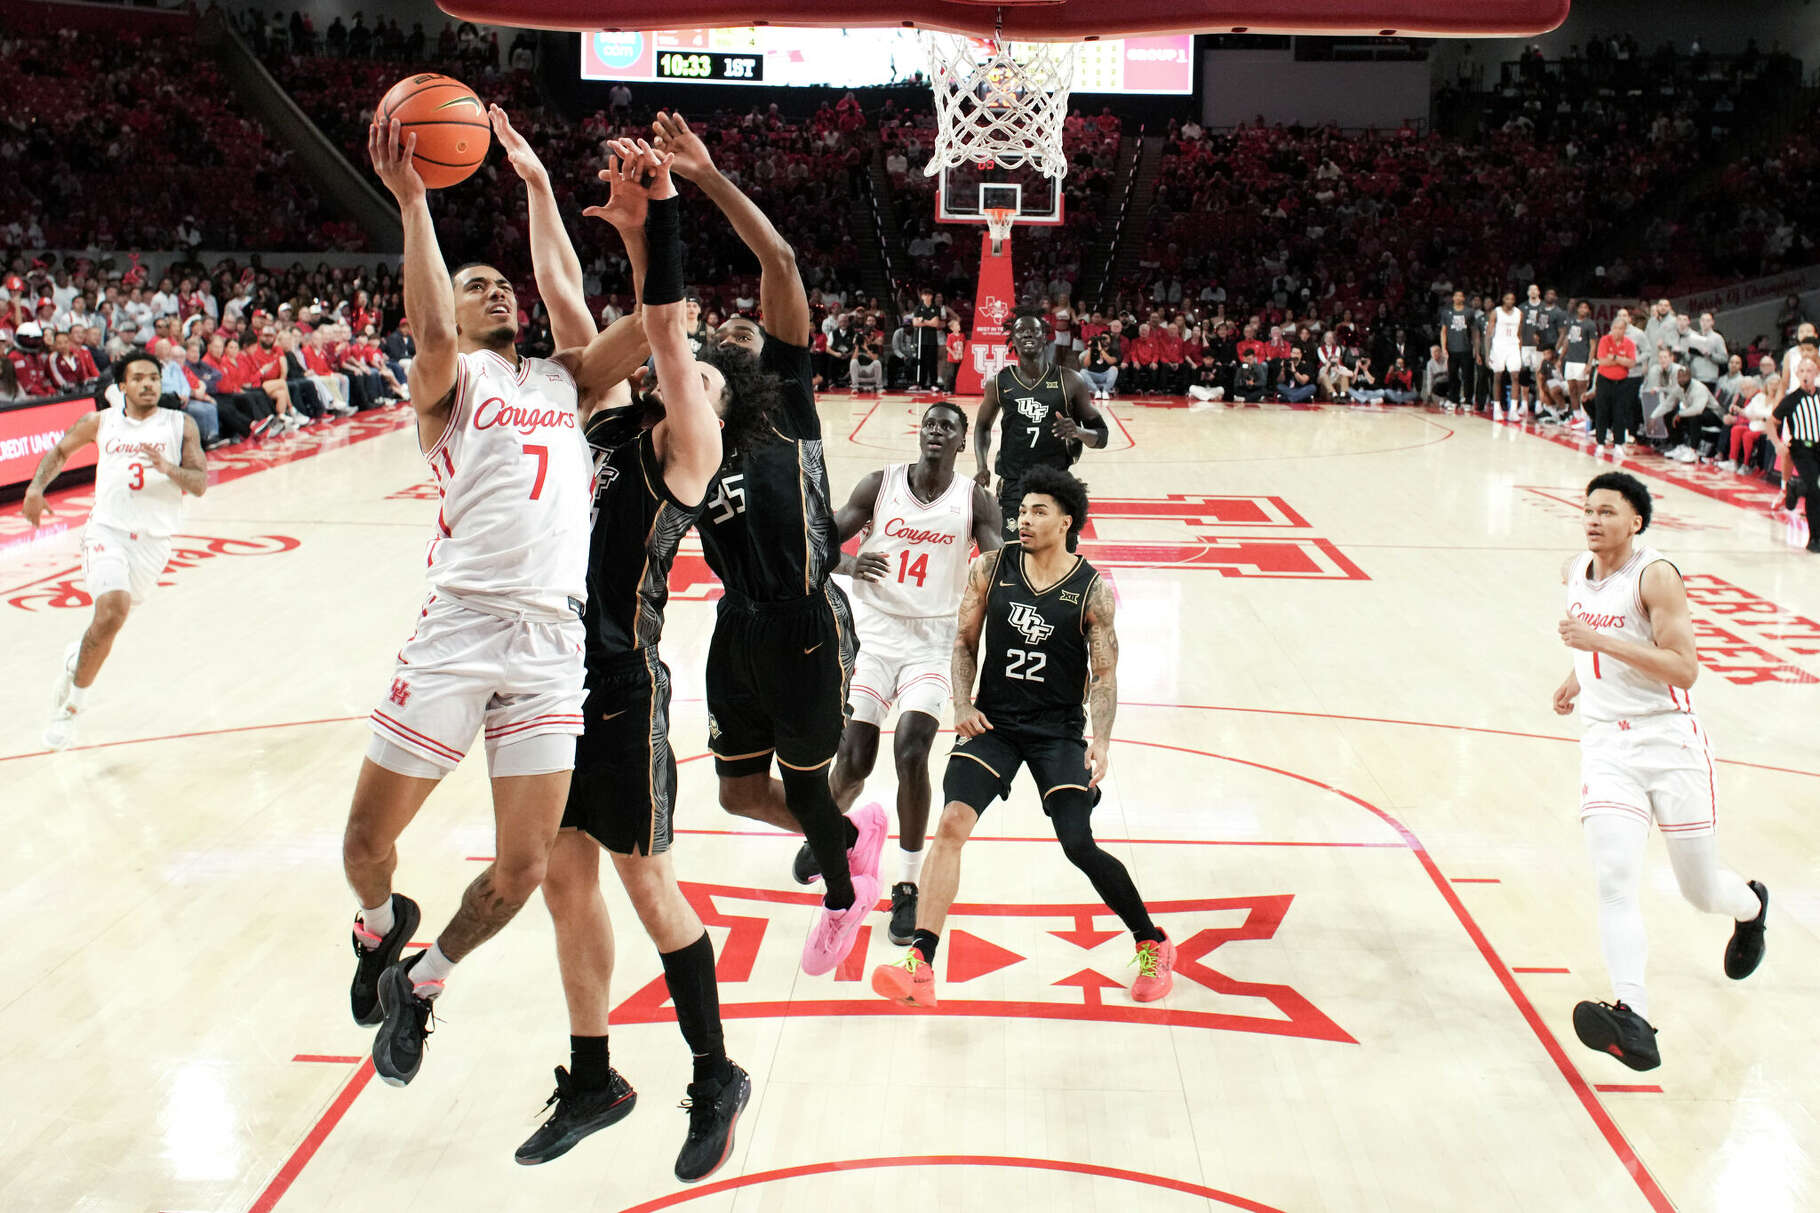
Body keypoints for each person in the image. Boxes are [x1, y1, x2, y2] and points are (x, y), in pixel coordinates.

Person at [342, 114, 650, 1089]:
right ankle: (381, 925)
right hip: (461, 628)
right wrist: (414, 201)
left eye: (501, 280)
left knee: (522, 870)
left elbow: (652, 325)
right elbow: (428, 325)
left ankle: (422, 983)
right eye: (478, 285)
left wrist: (629, 225)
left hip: (551, 644)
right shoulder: (448, 383)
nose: (494, 290)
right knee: (364, 844)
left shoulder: (564, 380)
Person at [515, 134, 751, 1179]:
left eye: (699, 374)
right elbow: (568, 302)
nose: (679, 375)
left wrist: (659, 219)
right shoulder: (606, 430)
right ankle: (593, 1074)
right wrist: (537, 187)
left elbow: (662, 329)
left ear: (714, 404)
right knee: (565, 886)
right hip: (548, 683)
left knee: (649, 885)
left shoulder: (686, 454)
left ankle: (714, 1072)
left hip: (618, 687)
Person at [650, 110, 885, 976]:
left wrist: (704, 178)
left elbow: (779, 264)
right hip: (738, 621)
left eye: (755, 333)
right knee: (739, 790)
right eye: (727, 340)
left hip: (805, 620)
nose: (745, 334)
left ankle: (841, 893)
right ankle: (848, 831)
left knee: (804, 784)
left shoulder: (786, 397)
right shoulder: (692, 436)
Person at [871, 466, 1174, 1009]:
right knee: (951, 823)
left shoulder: (1092, 590)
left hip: (1056, 731)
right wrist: (962, 703)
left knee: (1078, 845)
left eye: (1038, 511)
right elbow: (963, 642)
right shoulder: (991, 565)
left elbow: (1103, 675)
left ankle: (1152, 941)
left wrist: (1099, 741)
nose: (1024, 520)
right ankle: (920, 961)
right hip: (996, 724)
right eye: (1022, 510)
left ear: (1066, 521)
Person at [1553, 471, 1769, 1071]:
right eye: (1587, 509)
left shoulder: (1656, 576)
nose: (1593, 519)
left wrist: (1597, 642)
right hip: (1605, 749)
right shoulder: (1573, 571)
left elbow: (1683, 668)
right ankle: (1633, 1015)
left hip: (1668, 744)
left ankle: (1751, 907)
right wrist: (1578, 678)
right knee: (1614, 879)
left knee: (1700, 891)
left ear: (1636, 522)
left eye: (1607, 511)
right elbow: (1597, 644)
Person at [793, 402, 1003, 945]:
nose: (936, 432)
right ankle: (834, 833)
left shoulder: (975, 499)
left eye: (948, 428)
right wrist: (846, 562)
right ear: (921, 435)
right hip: (874, 634)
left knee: (912, 751)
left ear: (962, 444)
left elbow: (998, 566)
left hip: (934, 643)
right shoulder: (879, 484)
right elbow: (819, 538)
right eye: (930, 425)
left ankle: (906, 885)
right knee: (854, 759)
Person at [25, 351, 207, 749]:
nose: (148, 385)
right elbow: (59, 453)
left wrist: (168, 468)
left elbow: (198, 483)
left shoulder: (181, 425)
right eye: (139, 378)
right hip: (107, 531)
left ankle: (76, 662)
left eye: (154, 378)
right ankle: (71, 710)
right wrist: (36, 488)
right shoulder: (100, 422)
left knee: (110, 623)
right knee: (112, 608)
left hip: (155, 543)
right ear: (122, 387)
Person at [973, 306, 1109, 541]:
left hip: (1056, 485)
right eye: (1020, 331)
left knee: (1059, 562)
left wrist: (1078, 432)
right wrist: (981, 465)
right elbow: (983, 426)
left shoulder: (1070, 381)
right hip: (1014, 485)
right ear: (1012, 339)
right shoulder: (999, 382)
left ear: (1045, 336)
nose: (1027, 334)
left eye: (1033, 330)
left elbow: (1102, 436)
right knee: (1013, 557)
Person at [1771, 352, 1820, 552]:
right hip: (1801, 448)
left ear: (1817, 372)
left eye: (1810, 370)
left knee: (1814, 489)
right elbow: (1771, 422)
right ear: (1797, 374)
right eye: (1802, 371)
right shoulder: (1792, 400)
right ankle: (1815, 537)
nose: (1806, 374)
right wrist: (1777, 443)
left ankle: (1796, 486)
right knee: (1815, 491)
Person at [1592, 313, 1638, 456]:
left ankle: (1618, 444)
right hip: (1604, 380)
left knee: (1620, 413)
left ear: (1625, 330)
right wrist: (1621, 361)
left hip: (1622, 382)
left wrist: (1616, 358)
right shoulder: (1605, 340)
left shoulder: (1629, 343)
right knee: (1602, 412)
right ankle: (1600, 443)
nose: (1617, 331)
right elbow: (1603, 361)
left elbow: (1631, 363)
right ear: (1611, 328)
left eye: (1621, 329)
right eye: (1615, 328)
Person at [1558, 300, 1600, 426]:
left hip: (1582, 361)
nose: (1583, 309)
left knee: (1582, 389)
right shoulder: (1571, 322)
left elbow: (1593, 346)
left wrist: (1589, 363)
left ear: (1589, 310)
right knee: (1572, 389)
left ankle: (1585, 416)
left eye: (1585, 307)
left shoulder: (1590, 325)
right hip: (1570, 359)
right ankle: (1576, 416)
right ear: (1577, 309)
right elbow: (1567, 340)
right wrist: (1560, 357)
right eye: (1581, 307)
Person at [1487, 291, 1523, 419]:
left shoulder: (1519, 313)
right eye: (1507, 298)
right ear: (1503, 299)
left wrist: (1520, 351)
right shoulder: (1496, 312)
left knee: (1515, 376)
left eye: (1512, 299)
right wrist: (1487, 354)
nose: (1510, 301)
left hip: (1513, 346)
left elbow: (1520, 334)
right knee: (1497, 376)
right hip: (1498, 346)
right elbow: (1488, 334)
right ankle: (1497, 408)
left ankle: (1513, 410)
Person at [1438, 290, 1474, 412]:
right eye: (1456, 295)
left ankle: (1468, 400)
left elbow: (1474, 332)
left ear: (1464, 298)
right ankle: (1454, 399)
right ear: (1453, 298)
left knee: (1467, 376)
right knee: (1453, 376)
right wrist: (1443, 348)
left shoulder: (1469, 312)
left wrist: (1474, 347)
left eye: (1460, 296)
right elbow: (1443, 331)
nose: (1458, 298)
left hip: (1466, 349)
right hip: (1452, 349)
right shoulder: (1446, 312)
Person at [912, 287, 942, 390]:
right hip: (920, 339)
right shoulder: (918, 308)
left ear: (931, 296)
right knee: (921, 361)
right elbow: (915, 323)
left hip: (932, 339)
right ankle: (920, 383)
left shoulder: (936, 308)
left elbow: (936, 323)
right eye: (925, 295)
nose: (927, 297)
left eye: (929, 295)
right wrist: (929, 322)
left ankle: (933, 383)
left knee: (932, 362)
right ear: (922, 296)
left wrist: (923, 320)